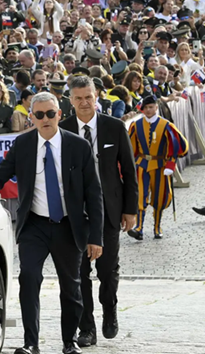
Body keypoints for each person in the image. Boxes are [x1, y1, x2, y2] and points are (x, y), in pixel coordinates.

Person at [0, 92, 104, 354]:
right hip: (34, 225)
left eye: (50, 113)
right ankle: (31, 343)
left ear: (59, 114)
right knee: (28, 279)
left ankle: (69, 342)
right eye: (39, 115)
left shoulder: (78, 146)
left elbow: (94, 194)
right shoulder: (23, 145)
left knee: (71, 286)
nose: (45, 119)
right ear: (31, 118)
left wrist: (96, 237)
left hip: (69, 227)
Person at [60, 76, 139, 347]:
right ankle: (87, 327)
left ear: (97, 97)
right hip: (74, 214)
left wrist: (130, 209)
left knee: (107, 269)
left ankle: (110, 309)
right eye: (78, 98)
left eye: (88, 97)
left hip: (108, 210)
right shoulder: (62, 129)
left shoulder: (114, 127)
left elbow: (128, 171)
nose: (84, 103)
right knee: (79, 272)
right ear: (70, 101)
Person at [127, 96, 188, 240]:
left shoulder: (166, 125)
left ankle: (157, 226)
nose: (148, 110)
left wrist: (171, 163)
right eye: (146, 108)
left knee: (159, 197)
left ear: (156, 107)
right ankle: (139, 228)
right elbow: (130, 147)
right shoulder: (136, 125)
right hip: (142, 164)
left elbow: (178, 145)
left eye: (151, 107)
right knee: (140, 195)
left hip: (160, 165)